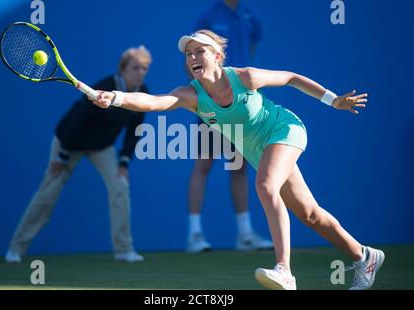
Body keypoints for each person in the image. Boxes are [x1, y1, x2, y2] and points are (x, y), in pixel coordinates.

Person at [89, 30, 384, 290]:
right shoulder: (191, 95)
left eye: (199, 51)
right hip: (258, 151)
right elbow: (154, 103)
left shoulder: (246, 77)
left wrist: (333, 100)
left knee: (266, 186)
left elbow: (291, 78)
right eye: (188, 54)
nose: (192, 57)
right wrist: (116, 97)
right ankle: (364, 257)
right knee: (310, 215)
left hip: (284, 130)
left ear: (217, 56)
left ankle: (284, 270)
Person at [5, 46, 152, 263]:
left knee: (120, 187)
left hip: (102, 147)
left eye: (144, 68)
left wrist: (124, 161)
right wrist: (62, 156)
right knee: (48, 193)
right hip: (69, 141)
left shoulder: (142, 93)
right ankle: (16, 248)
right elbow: (78, 121)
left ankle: (124, 250)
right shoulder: (104, 87)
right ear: (122, 70)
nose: (140, 72)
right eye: (135, 68)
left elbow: (134, 131)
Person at [187, 0, 272, 253]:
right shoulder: (207, 16)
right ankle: (194, 235)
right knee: (203, 164)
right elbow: (193, 58)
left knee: (239, 166)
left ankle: (245, 235)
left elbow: (252, 49)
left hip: (239, 104)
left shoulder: (249, 15)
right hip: (212, 101)